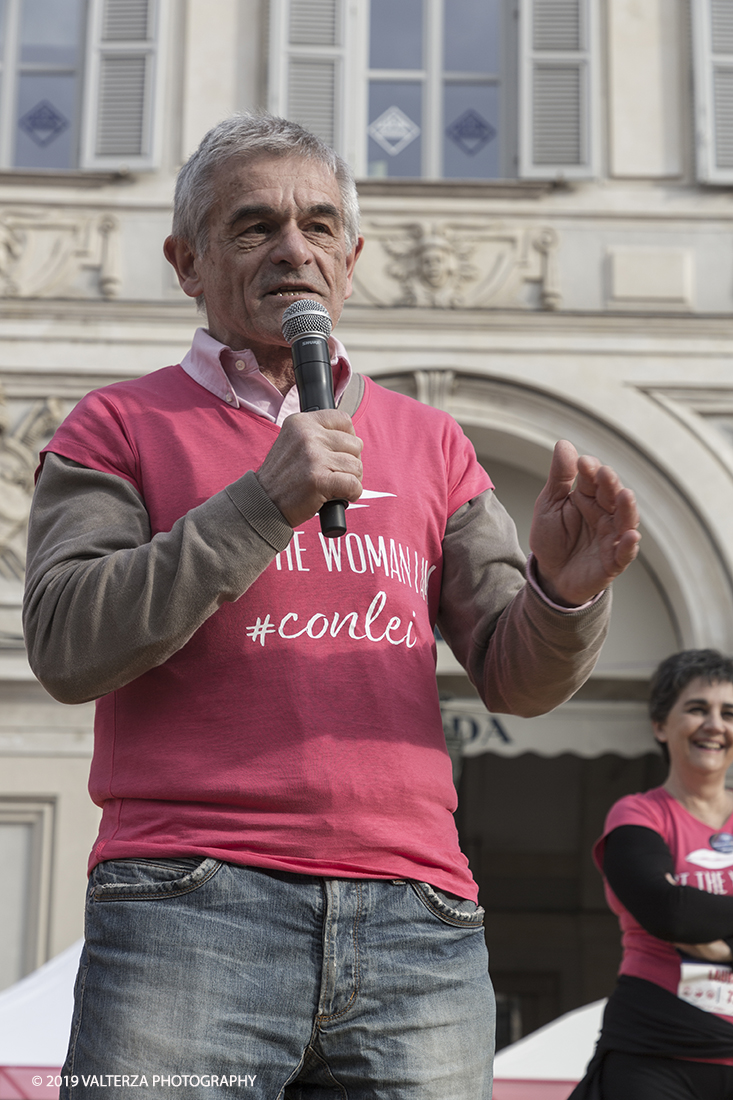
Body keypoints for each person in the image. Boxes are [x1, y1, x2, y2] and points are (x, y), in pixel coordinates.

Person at [23, 112, 640, 1100]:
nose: (292, 249)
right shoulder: (115, 424)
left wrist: (564, 590)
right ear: (188, 261)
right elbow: (65, 640)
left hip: (417, 918)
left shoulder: (432, 441)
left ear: (350, 262)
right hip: (191, 903)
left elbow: (516, 674)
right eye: (254, 225)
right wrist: (262, 502)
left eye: (317, 225)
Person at [570, 649, 733, 1100]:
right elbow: (669, 913)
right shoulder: (637, 813)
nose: (715, 725)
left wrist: (708, 928)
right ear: (661, 725)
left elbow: (682, 911)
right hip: (653, 1051)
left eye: (729, 713)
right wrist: (684, 919)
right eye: (697, 709)